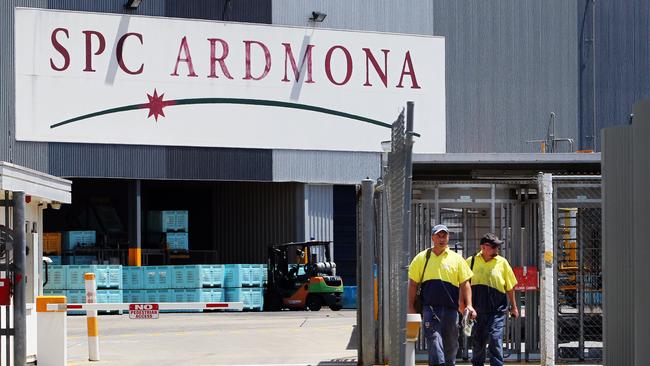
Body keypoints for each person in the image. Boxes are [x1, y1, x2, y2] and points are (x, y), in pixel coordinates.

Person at [408, 224, 476, 366]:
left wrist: (469, 305)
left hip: (451, 311)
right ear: (432, 238)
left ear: (448, 237)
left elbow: (465, 284)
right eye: (438, 235)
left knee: (451, 345)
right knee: (434, 340)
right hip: (430, 309)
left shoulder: (457, 259)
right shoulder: (422, 258)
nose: (442, 238)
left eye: (444, 235)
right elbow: (413, 284)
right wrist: (410, 307)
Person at [466, 233, 519, 366]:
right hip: (477, 312)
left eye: (498, 247)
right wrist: (465, 305)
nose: (497, 249)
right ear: (483, 247)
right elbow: (463, 285)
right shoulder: (470, 262)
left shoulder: (502, 263)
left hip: (497, 311)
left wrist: (514, 306)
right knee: (478, 342)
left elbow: (510, 286)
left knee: (495, 339)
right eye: (493, 246)